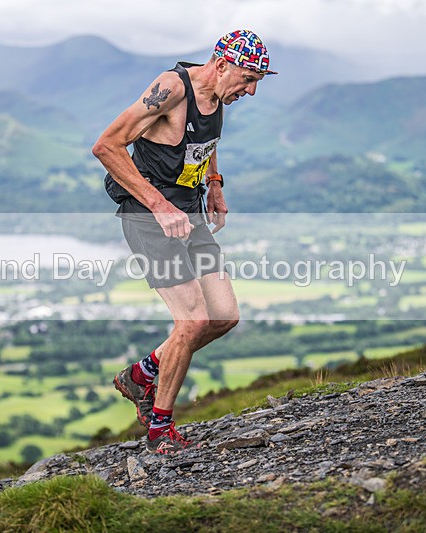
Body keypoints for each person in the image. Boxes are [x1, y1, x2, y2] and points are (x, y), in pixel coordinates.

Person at [93, 29, 276, 454]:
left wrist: (214, 183)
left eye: (257, 84)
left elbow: (204, 141)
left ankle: (142, 373)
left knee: (224, 315)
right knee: (191, 321)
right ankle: (160, 428)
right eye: (249, 80)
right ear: (223, 64)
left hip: (189, 214)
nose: (250, 91)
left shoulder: (217, 95)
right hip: (150, 216)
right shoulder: (171, 89)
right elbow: (106, 146)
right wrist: (159, 205)